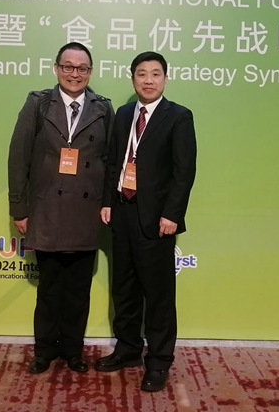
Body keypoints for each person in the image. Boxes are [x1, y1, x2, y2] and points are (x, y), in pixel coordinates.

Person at [7, 42, 114, 374]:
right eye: (68, 66)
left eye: (82, 68)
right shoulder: (38, 103)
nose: (74, 74)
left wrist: (108, 204)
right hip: (47, 210)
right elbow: (18, 157)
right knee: (50, 288)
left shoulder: (102, 108)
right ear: (56, 68)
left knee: (79, 290)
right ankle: (44, 350)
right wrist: (19, 208)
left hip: (86, 212)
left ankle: (72, 350)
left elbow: (110, 162)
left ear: (90, 72)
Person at [96, 51, 197, 392]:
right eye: (142, 74)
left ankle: (159, 361)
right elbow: (114, 161)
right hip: (122, 212)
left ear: (166, 78)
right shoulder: (125, 114)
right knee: (124, 288)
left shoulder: (179, 116)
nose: (149, 80)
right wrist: (107, 201)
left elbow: (184, 172)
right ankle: (127, 349)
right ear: (133, 78)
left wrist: (172, 214)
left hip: (156, 219)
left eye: (155, 73)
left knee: (158, 295)